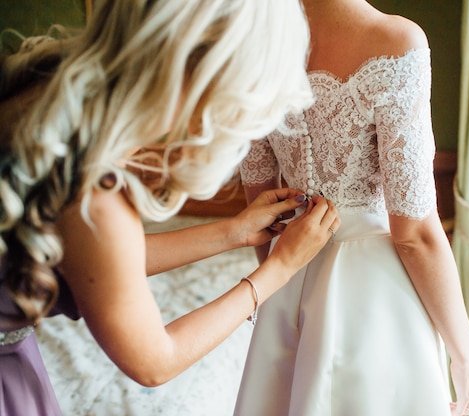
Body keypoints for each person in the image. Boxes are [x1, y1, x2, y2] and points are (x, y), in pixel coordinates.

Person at [0, 0, 341, 414]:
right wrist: (277, 271)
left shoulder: (39, 83)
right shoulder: (94, 191)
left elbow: (103, 258)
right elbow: (155, 362)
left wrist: (231, 232)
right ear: (202, 79)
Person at [234, 0, 469, 415]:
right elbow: (416, 235)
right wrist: (466, 357)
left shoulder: (253, 48)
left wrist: (279, 291)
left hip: (287, 275)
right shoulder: (396, 43)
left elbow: (261, 210)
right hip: (376, 297)